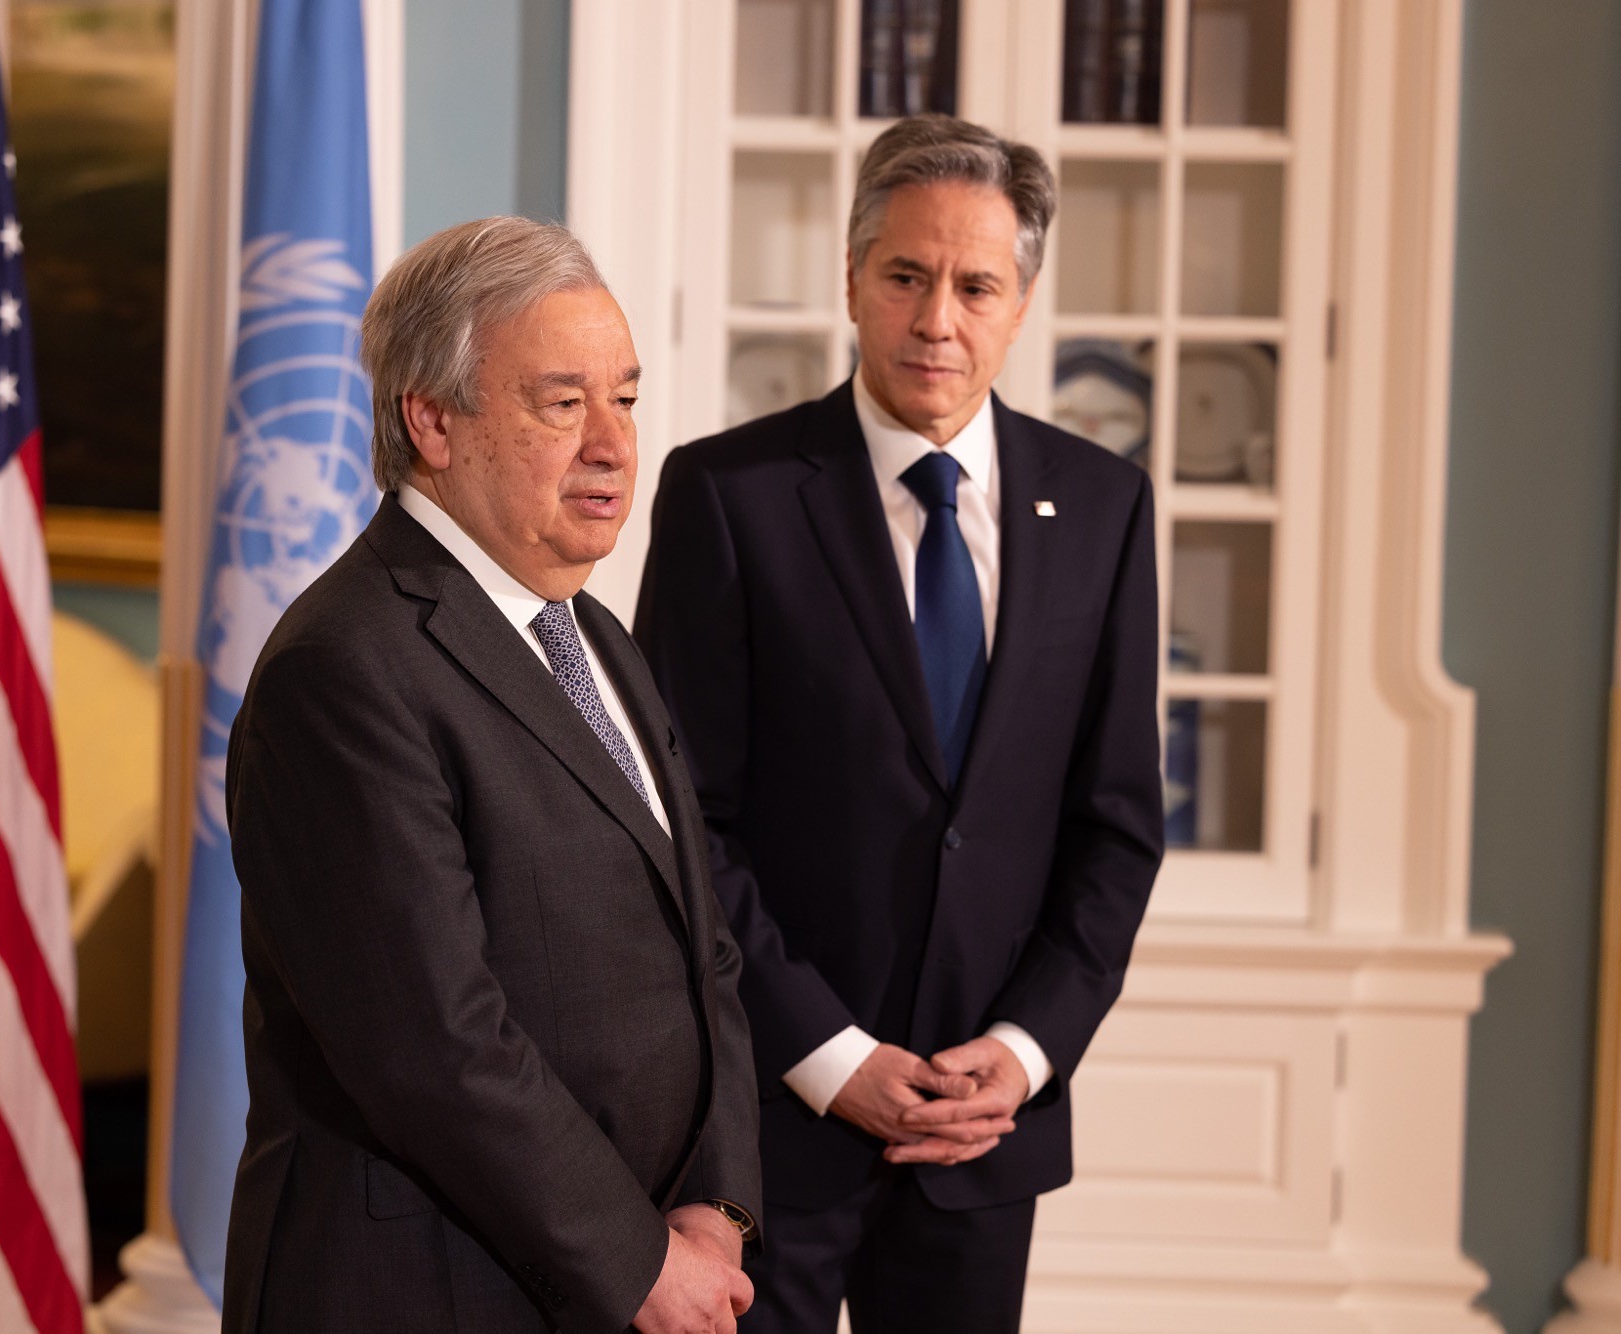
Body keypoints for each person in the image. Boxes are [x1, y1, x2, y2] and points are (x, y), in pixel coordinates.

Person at [634, 115, 1165, 1332]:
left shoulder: (1103, 507)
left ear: (1019, 302)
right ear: (851, 279)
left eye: (973, 286)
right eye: (905, 276)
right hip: (768, 1117)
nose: (936, 319)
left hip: (981, 1130)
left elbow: (1116, 824)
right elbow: (681, 823)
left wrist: (1023, 1050)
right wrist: (829, 1055)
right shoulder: (728, 495)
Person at [220, 216, 762, 1334]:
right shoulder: (344, 667)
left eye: (625, 398)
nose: (613, 444)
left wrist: (716, 1207)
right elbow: (435, 1043)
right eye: (562, 403)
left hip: (627, 1271)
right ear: (432, 421)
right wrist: (640, 1263)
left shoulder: (594, 636)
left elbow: (699, 951)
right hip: (428, 1289)